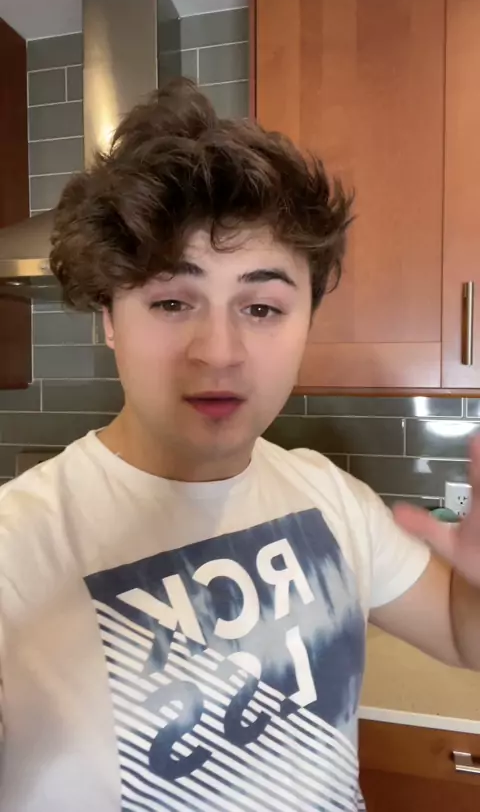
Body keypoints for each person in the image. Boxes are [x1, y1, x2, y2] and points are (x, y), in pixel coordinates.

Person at [1, 78, 479, 812]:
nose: (218, 352)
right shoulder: (16, 546)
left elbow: (459, 632)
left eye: (261, 307)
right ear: (110, 319)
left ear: (309, 318)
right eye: (170, 301)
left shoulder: (327, 493)